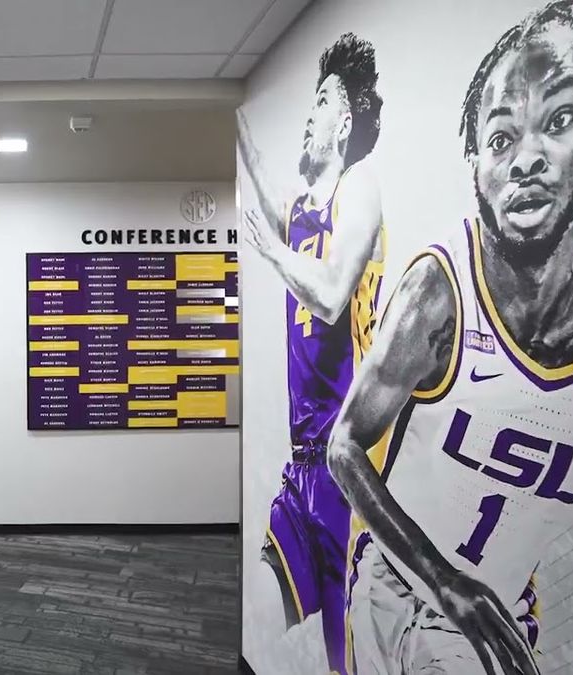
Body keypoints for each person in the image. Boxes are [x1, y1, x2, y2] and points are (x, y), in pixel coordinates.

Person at [328, 2, 573, 673]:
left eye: (560, 119)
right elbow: (343, 446)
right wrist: (448, 585)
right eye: (503, 138)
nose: (527, 160)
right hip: (407, 588)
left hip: (504, 611)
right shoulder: (440, 291)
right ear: (474, 161)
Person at [238, 33, 386, 673]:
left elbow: (329, 296)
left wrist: (271, 255)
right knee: (262, 620)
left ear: (345, 118)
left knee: (341, 653)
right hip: (301, 468)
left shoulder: (359, 189)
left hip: (348, 472)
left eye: (322, 101)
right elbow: (269, 197)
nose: (308, 114)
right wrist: (234, 116)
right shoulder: (300, 211)